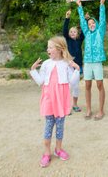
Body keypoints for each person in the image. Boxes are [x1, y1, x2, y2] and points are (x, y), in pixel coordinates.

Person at [30, 36, 80, 168]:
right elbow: (41, 81)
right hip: (49, 98)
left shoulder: (66, 64)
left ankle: (58, 149)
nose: (48, 49)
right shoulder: (46, 64)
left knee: (60, 126)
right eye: (48, 47)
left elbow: (72, 82)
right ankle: (47, 153)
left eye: (50, 47)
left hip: (61, 99)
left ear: (59, 49)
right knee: (48, 125)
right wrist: (33, 70)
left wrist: (77, 69)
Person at [76, 0, 106, 120]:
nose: (91, 24)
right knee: (87, 85)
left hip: (97, 62)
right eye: (89, 24)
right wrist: (79, 6)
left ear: (96, 24)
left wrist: (102, 5)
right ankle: (88, 109)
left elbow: (103, 20)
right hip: (87, 62)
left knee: (99, 85)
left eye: (93, 23)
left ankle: (101, 110)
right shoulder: (87, 33)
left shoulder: (100, 31)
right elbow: (82, 21)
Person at [63, 9, 85, 112]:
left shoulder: (79, 40)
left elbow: (84, 32)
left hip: (78, 66)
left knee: (75, 86)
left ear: (77, 34)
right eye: (71, 32)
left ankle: (75, 104)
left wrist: (85, 19)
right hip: (68, 65)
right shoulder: (67, 40)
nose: (72, 33)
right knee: (67, 86)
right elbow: (64, 30)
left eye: (74, 32)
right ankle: (66, 105)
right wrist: (67, 18)